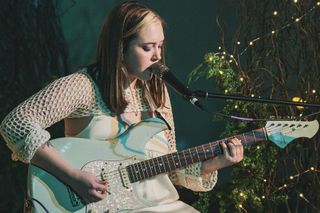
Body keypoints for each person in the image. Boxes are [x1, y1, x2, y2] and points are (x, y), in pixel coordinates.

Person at [0, 1, 243, 212]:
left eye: (160, 46)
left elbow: (168, 169)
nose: (157, 56)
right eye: (147, 47)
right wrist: (74, 177)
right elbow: (16, 125)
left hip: (159, 204)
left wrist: (212, 164)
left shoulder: (157, 93)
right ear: (120, 47)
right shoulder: (83, 85)